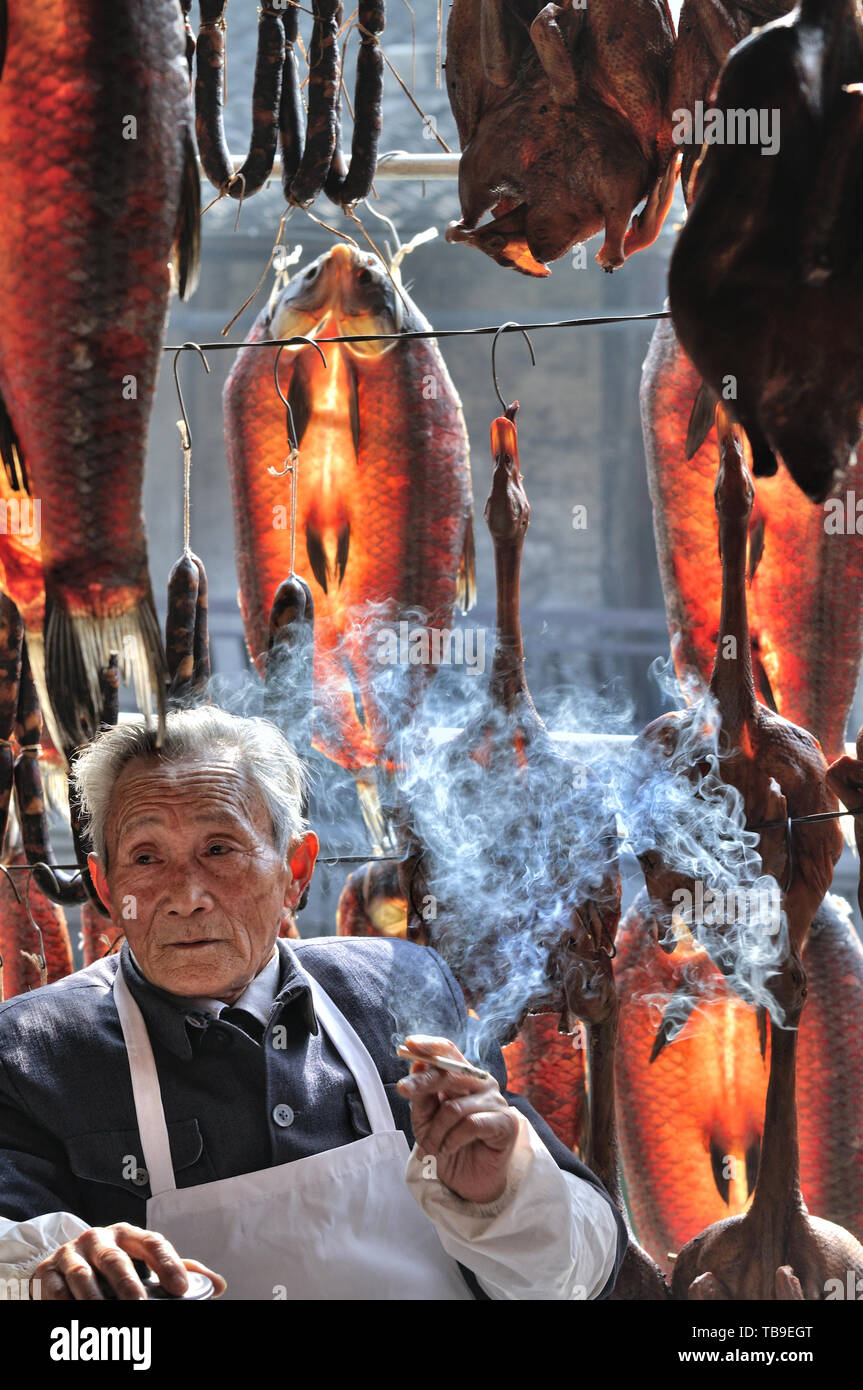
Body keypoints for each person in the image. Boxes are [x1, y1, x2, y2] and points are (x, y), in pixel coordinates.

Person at [0, 707, 626, 1300]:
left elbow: (579, 1273)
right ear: (105, 888)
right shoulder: (34, 1048)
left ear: (296, 872)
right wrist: (44, 1274)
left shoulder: (398, 987)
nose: (186, 895)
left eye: (220, 849)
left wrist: (502, 1198)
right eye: (145, 857)